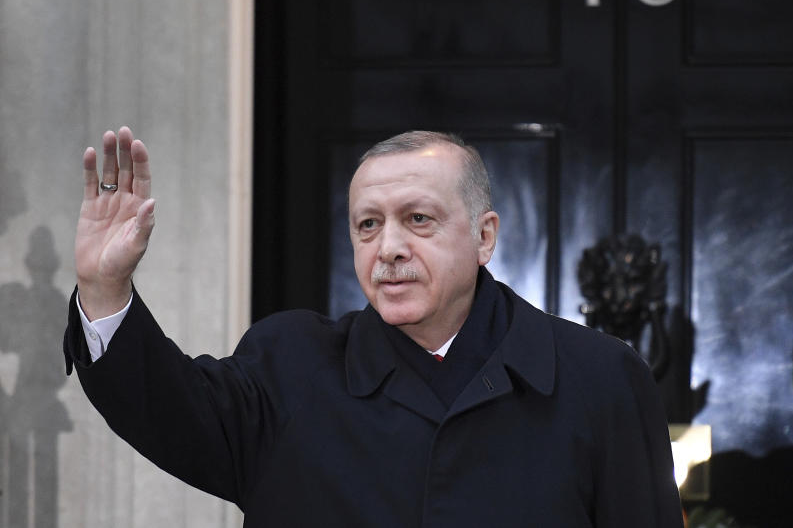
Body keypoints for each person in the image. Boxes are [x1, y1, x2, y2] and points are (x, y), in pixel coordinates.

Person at [63, 126, 683, 527]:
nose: (387, 248)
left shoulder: (598, 377)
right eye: (367, 225)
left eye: (417, 219)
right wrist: (103, 286)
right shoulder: (289, 365)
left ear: (484, 237)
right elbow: (166, 407)